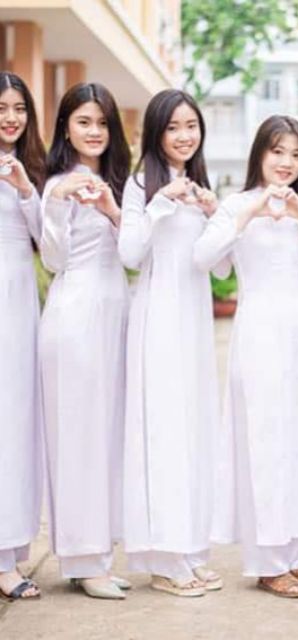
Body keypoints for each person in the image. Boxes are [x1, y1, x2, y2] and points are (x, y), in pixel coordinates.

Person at [194, 115, 298, 599]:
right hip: (258, 334)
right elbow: (206, 260)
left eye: (296, 154)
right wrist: (245, 215)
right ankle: (268, 561)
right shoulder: (236, 204)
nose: (286, 162)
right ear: (260, 154)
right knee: (264, 441)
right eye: (278, 151)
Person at [119, 89, 221, 598]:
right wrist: (161, 203)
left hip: (195, 318)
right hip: (159, 314)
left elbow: (217, 265)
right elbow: (130, 253)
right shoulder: (141, 185)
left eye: (191, 126)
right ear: (156, 134)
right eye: (174, 127)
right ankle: (163, 559)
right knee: (163, 429)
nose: (184, 136)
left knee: (194, 429)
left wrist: (217, 214)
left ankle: (190, 550)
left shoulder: (202, 186)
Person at [40, 83, 130, 599]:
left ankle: (97, 555)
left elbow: (135, 252)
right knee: (77, 433)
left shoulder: (119, 182)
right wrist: (57, 202)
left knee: (107, 435)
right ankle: (81, 557)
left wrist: (114, 209)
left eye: (102, 123)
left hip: (114, 313)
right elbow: (54, 259)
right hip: (75, 314)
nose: (94, 132)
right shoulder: (56, 184)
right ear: (66, 128)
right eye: (83, 122)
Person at [0, 71, 46, 601]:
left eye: (19, 108)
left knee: (16, 423)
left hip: (18, 305)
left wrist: (26, 190)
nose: (11, 118)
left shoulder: (33, 168)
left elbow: (46, 241)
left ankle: (10, 551)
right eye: (2, 108)